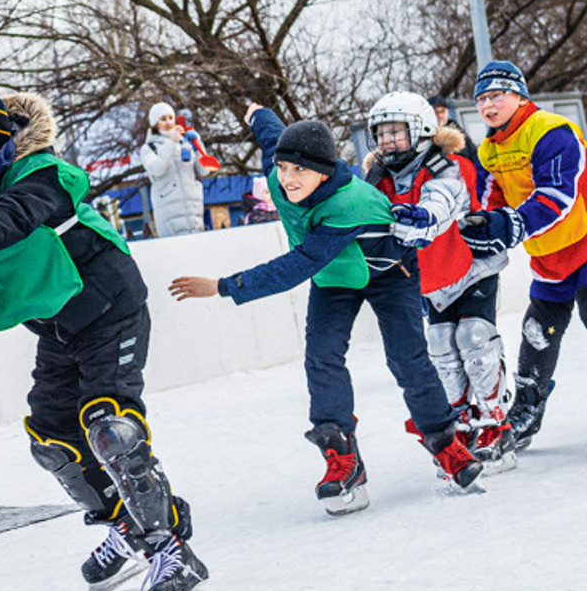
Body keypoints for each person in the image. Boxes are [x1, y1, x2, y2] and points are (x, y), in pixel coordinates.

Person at [0, 86, 216, 591]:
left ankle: (169, 549)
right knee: (52, 442)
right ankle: (124, 525)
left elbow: (14, 216)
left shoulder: (41, 173)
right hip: (59, 327)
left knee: (111, 428)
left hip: (111, 304)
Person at [169, 104, 482, 515]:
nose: (287, 179)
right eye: (284, 168)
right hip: (336, 275)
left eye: (299, 171)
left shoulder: (347, 204)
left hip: (389, 270)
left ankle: (446, 444)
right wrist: (256, 112)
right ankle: (342, 458)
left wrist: (223, 286)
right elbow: (271, 135)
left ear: (322, 171)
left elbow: (296, 265)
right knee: (322, 357)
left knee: (408, 358)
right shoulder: (279, 175)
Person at [364, 92, 515, 473]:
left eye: (395, 132)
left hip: (469, 267)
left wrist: (415, 218)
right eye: (380, 134)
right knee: (441, 349)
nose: (386, 142)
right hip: (429, 279)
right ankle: (461, 421)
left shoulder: (448, 165)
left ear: (422, 129)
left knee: (473, 338)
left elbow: (440, 203)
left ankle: (497, 421)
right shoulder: (378, 179)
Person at [461, 60, 587, 448]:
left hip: (584, 244)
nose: (488, 105)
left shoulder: (551, 131)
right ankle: (526, 410)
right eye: (481, 98)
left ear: (519, 95)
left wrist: (512, 224)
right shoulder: (488, 150)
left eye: (496, 95)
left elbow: (558, 196)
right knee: (537, 334)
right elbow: (485, 203)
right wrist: (475, 230)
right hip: (550, 258)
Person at [140, 102, 208, 237]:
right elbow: (157, 169)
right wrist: (171, 142)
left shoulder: (185, 143)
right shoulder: (149, 148)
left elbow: (204, 171)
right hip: (168, 212)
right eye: (163, 119)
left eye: (171, 118)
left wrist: (198, 144)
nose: (168, 122)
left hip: (194, 210)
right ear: (154, 123)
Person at [427, 93, 482, 171]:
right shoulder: (426, 137)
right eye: (436, 112)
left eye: (442, 111)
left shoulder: (459, 132)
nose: (439, 115)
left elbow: (474, 157)